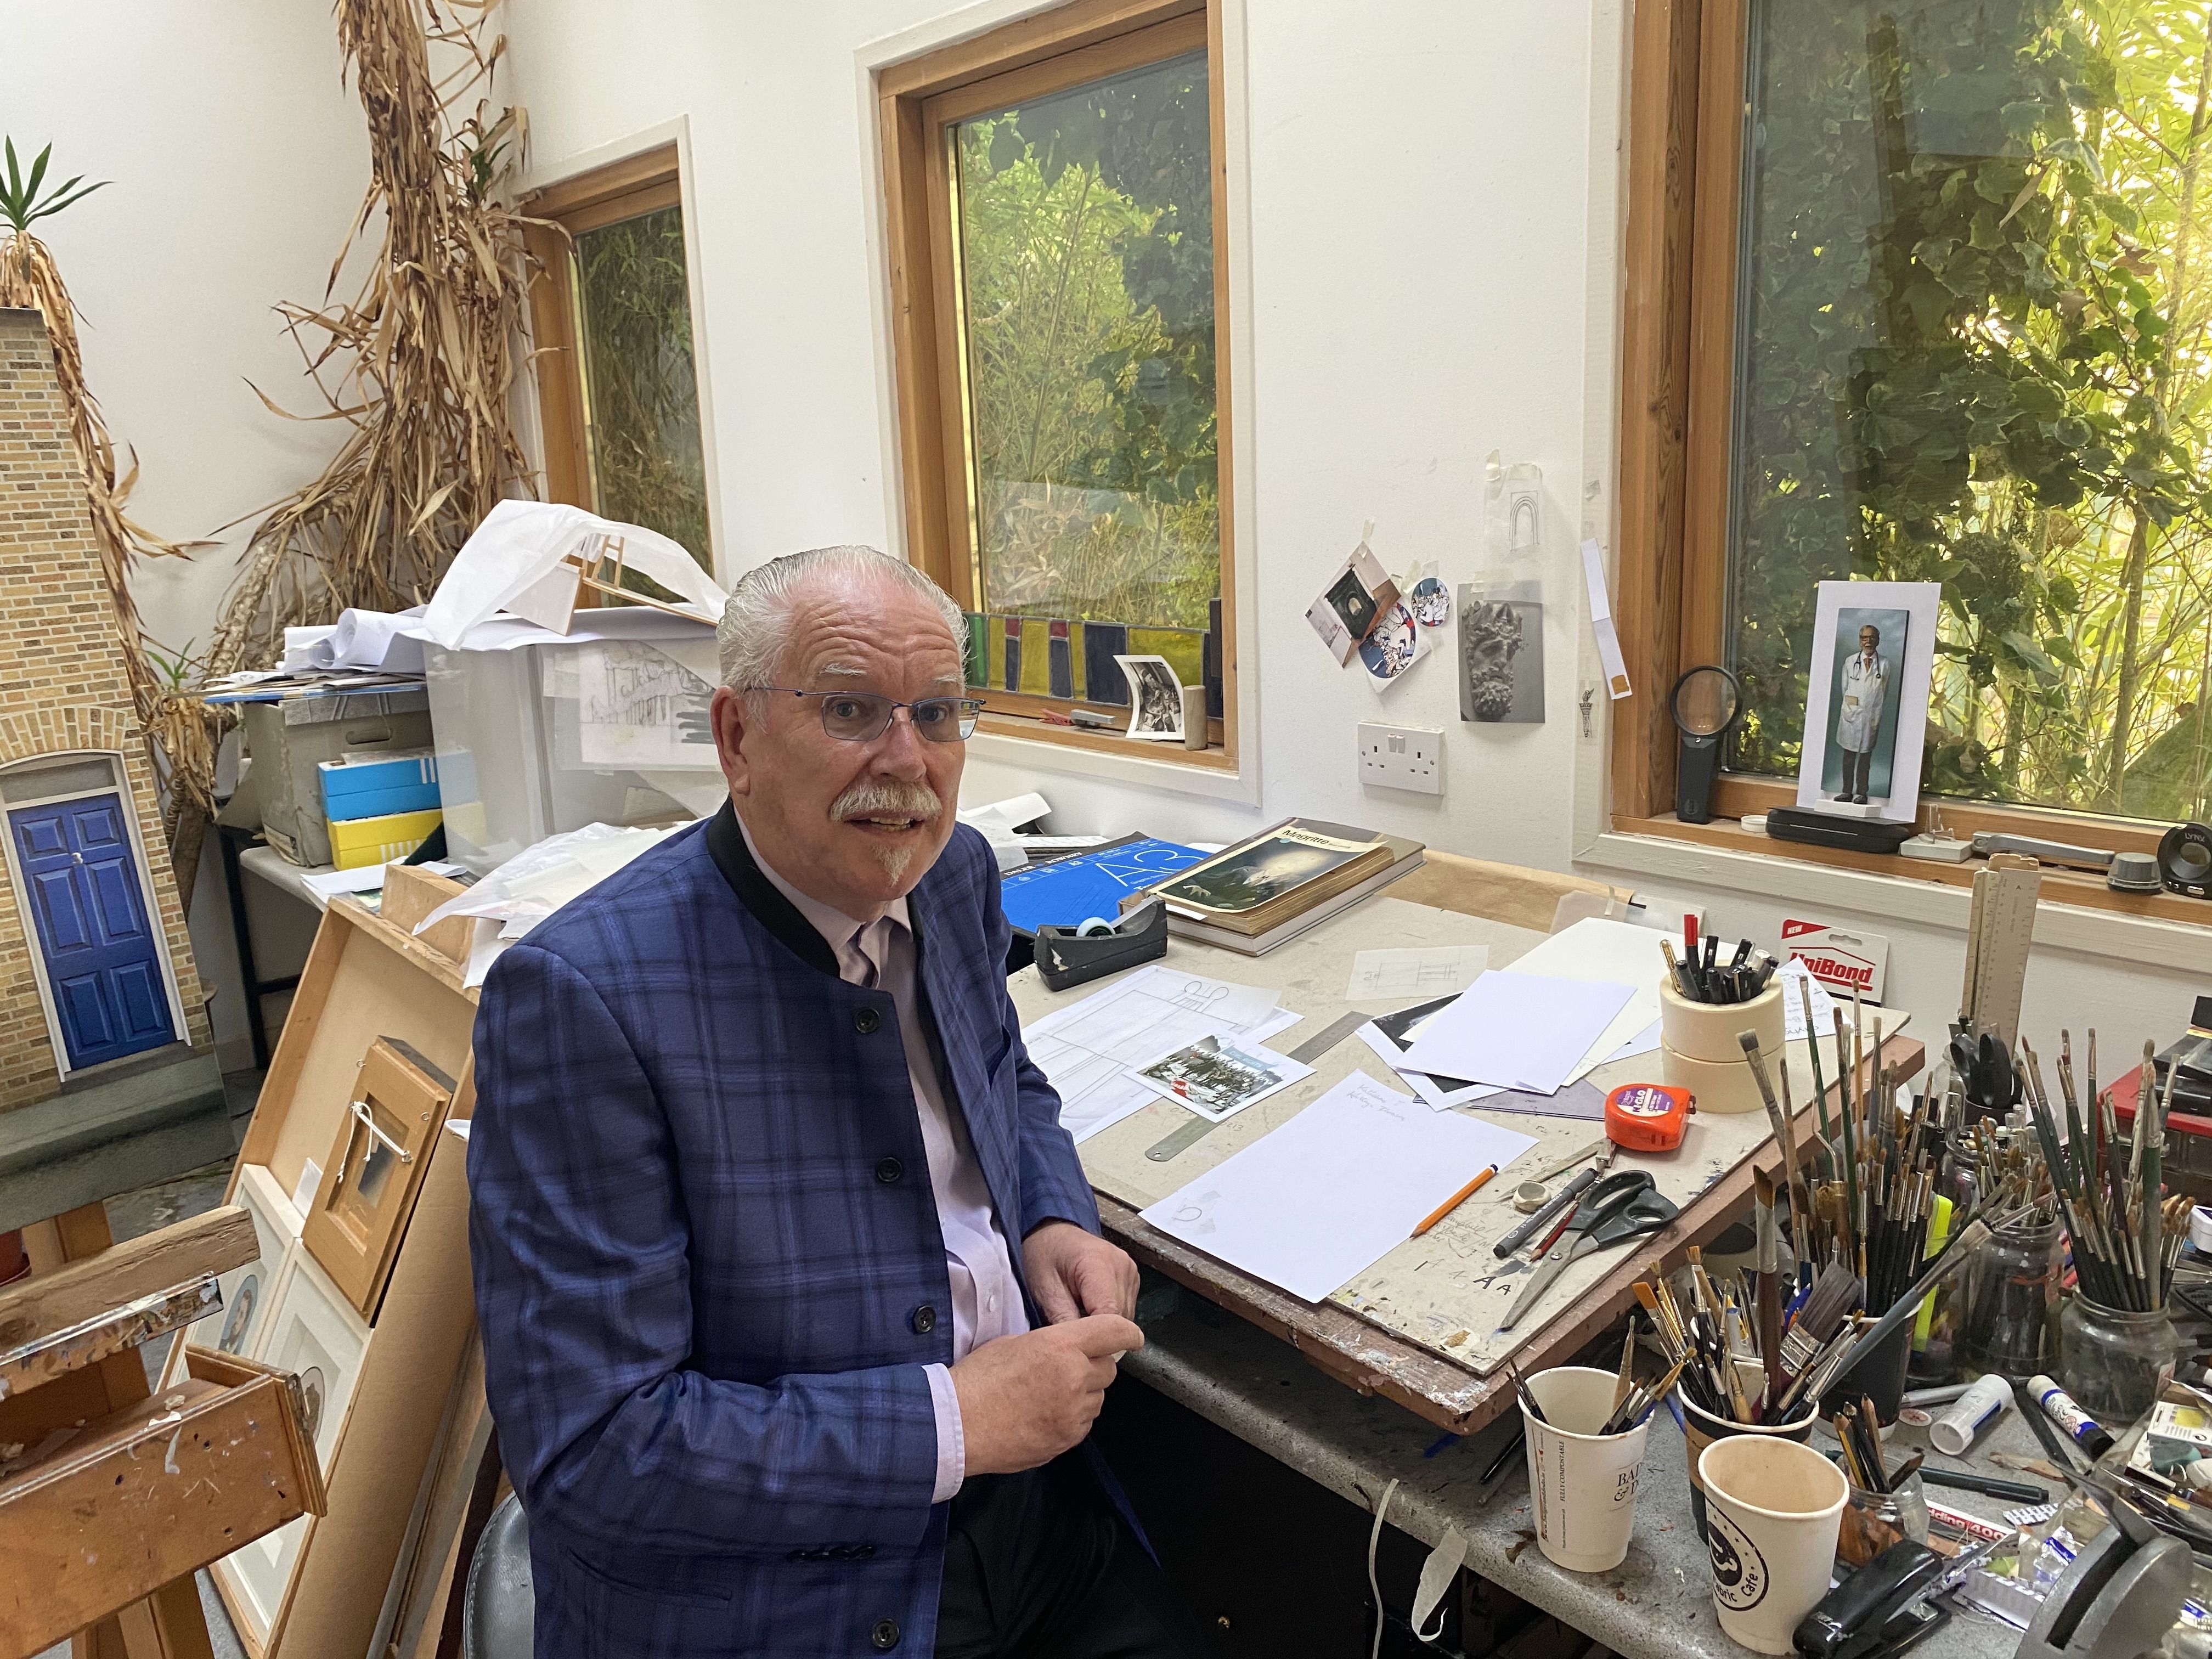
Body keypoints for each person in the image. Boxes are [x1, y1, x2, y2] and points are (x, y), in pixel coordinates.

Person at [467, 546, 1205, 1659]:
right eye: (852, 709)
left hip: (1032, 1516)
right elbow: (592, 1453)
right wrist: (956, 1422)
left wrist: (1053, 1215)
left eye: (939, 714)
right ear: (736, 740)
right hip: (783, 1591)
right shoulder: (582, 1000)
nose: (906, 761)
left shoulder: (950, 873)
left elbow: (1006, 1075)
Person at [1833, 623, 1889, 804]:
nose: (1868, 641)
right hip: (1852, 717)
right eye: (1865, 638)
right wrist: (1853, 707)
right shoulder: (1850, 662)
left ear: (1878, 641)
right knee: (1848, 759)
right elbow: (1845, 688)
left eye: (1872, 638)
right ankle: (1846, 792)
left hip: (1870, 718)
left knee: (1865, 760)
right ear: (1860, 641)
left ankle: (1862, 794)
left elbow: (1884, 691)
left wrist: (1871, 708)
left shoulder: (1885, 664)